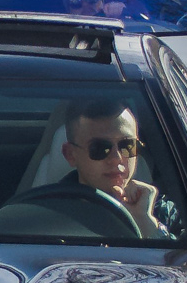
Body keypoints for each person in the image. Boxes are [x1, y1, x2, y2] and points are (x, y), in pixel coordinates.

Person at [57, 99, 170, 240]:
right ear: (70, 154)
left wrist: (146, 224)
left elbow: (183, 260)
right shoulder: (47, 214)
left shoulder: (162, 211)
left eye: (127, 145)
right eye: (99, 148)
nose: (116, 158)